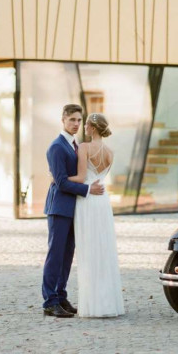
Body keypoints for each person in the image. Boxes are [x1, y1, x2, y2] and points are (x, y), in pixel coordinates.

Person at [41, 104, 104, 318]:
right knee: (55, 255)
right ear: (63, 120)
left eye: (79, 120)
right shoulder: (57, 147)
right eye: (72, 120)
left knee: (67, 255)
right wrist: (88, 189)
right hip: (59, 208)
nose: (76, 124)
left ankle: (61, 296)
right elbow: (60, 183)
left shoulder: (75, 145)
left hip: (73, 208)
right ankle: (50, 301)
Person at [68, 112, 125, 317]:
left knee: (89, 250)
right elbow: (99, 177)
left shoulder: (84, 147)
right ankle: (107, 303)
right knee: (103, 248)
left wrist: (59, 177)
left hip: (88, 200)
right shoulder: (110, 152)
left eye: (85, 125)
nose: (83, 127)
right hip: (103, 202)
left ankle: (93, 304)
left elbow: (82, 177)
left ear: (92, 128)